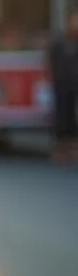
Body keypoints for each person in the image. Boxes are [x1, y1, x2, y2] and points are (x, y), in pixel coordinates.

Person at [47, 12, 78, 163]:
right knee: (61, 116)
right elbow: (50, 61)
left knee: (73, 116)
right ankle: (60, 149)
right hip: (60, 84)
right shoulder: (58, 42)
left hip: (74, 84)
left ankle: (72, 149)